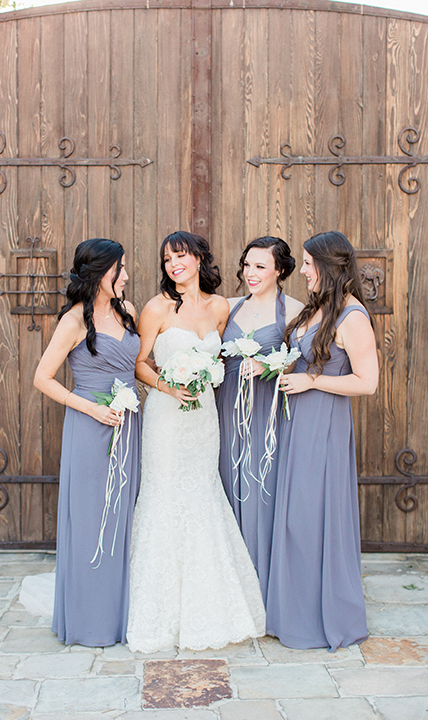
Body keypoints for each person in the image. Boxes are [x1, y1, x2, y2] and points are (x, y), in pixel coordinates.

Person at [127, 231, 266, 653]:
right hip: (167, 418)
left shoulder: (222, 307)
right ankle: (158, 609)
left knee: (202, 495)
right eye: (168, 258)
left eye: (181, 256)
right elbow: (140, 363)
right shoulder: (156, 307)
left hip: (204, 419)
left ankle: (211, 602)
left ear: (200, 259)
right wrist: (168, 385)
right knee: (166, 497)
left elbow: (222, 357)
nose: (174, 265)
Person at [266, 231, 378, 651]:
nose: (304, 271)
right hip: (297, 423)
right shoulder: (319, 310)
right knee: (295, 519)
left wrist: (311, 379)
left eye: (310, 264)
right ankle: (293, 612)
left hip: (324, 427)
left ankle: (323, 618)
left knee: (312, 519)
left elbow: (367, 383)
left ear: (330, 267)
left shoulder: (352, 317)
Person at [33, 238, 141, 646]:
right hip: (90, 427)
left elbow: (139, 366)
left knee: (123, 517)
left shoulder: (128, 311)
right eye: (120, 269)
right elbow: (42, 378)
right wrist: (91, 409)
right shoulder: (74, 321)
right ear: (99, 274)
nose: (127, 276)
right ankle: (89, 621)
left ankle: (119, 616)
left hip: (129, 426)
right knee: (92, 518)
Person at [216, 236, 303, 608]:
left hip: (268, 414)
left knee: (263, 490)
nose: (250, 274)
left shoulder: (296, 310)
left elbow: (300, 359)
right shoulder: (229, 307)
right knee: (224, 485)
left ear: (279, 270)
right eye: (247, 265)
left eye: (260, 267)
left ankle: (266, 590)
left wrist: (270, 364)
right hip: (225, 410)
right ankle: (230, 592)